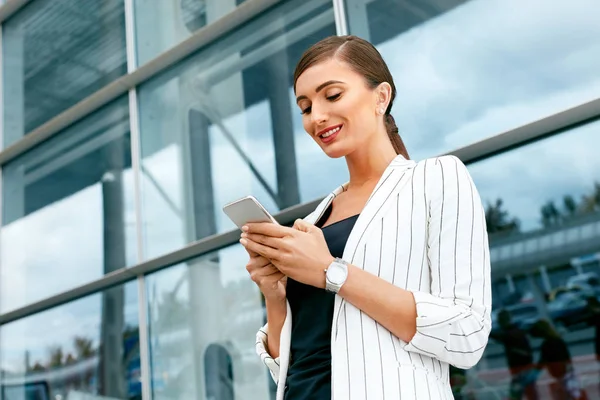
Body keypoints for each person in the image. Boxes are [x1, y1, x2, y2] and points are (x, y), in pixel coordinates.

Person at [241, 35, 492, 399]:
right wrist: (275, 295)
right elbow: (291, 366)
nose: (317, 117)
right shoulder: (313, 222)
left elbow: (467, 335)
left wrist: (330, 272)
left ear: (381, 96)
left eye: (332, 95)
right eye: (306, 107)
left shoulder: (436, 178)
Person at [530, 319, 586, 400]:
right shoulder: (558, 340)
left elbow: (543, 360)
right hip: (566, 371)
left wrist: (535, 372)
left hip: (558, 372)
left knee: (564, 394)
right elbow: (567, 356)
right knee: (572, 392)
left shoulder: (546, 345)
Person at [489, 309, 539, 399]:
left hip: (519, 370)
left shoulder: (509, 334)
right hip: (526, 368)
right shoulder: (517, 331)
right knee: (530, 393)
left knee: (516, 395)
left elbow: (498, 336)